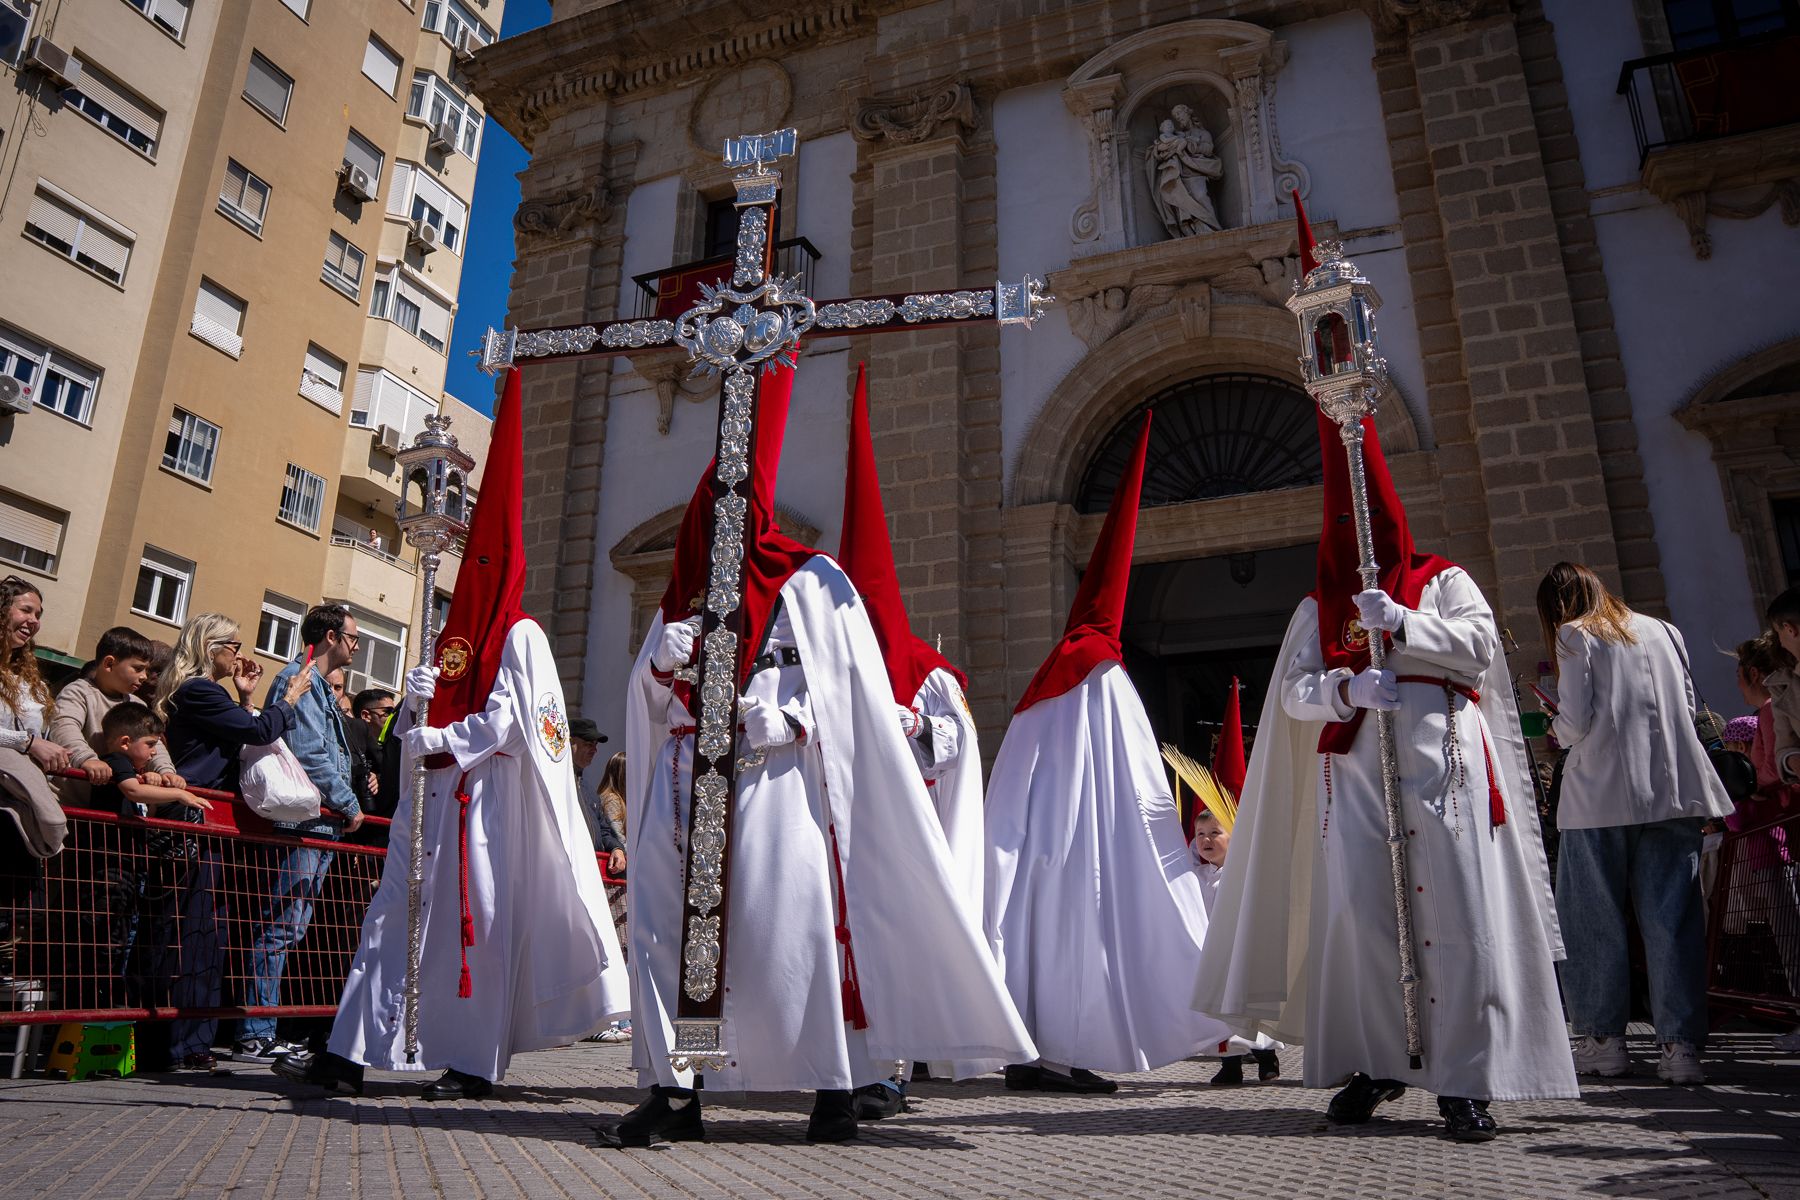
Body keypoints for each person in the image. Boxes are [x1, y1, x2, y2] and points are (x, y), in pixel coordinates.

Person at [608, 357, 1033, 1148]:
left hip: (779, 789)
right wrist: (660, 663)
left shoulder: (813, 582)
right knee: (683, 949)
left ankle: (833, 1088)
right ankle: (680, 1091)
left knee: (786, 934)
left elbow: (855, 692)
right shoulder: (685, 596)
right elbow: (651, 704)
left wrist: (793, 723)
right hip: (687, 796)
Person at [1195, 412, 1577, 1143]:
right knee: (1365, 923)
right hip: (1357, 778)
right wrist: (1348, 693)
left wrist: (1405, 622)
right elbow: (1294, 692)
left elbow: (1477, 646)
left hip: (1446, 773)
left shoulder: (1445, 580)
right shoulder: (1318, 606)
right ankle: (1380, 1062)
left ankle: (1466, 1080)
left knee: (1459, 924)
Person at [278, 368, 628, 1102]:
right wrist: (413, 707)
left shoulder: (523, 634)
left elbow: (512, 724)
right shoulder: (450, 635)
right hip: (429, 805)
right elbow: (414, 732)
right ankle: (349, 1053)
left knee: (477, 931)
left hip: (486, 811)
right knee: (389, 925)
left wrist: (438, 735)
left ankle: (471, 1064)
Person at [985, 414, 1232, 1096]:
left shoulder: (1054, 672)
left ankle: (1033, 1051)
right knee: (1080, 944)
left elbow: (1019, 773)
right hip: (1085, 845)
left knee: (1037, 938)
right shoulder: (1104, 675)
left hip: (1037, 843)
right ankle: (1060, 1054)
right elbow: (1137, 780)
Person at [834, 365, 984, 1116]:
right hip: (835, 831)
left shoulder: (927, 673)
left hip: (905, 831)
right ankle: (839, 1064)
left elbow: (956, 744)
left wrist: (918, 726)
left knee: (890, 948)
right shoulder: (821, 661)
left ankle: (887, 1072)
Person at [1535, 563, 1736, 1085]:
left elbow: (1576, 723)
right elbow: (1689, 707)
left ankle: (1604, 1041)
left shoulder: (1574, 633)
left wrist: (1554, 724)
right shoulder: (1665, 631)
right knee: (1674, 920)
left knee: (1592, 921)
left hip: (1601, 795)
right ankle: (1680, 1048)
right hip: (1674, 789)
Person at [156, 611, 311, 1071]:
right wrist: (288, 699)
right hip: (197, 822)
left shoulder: (204, 693)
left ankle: (193, 1039)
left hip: (209, 825)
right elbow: (259, 732)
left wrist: (246, 698)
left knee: (208, 933)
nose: (241, 656)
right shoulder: (198, 691)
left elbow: (241, 734)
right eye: (235, 646)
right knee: (200, 935)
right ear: (211, 648)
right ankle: (187, 1045)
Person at [233, 608, 365, 1064]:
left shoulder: (316, 685)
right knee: (281, 926)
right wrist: (349, 803)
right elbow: (310, 752)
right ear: (331, 636)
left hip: (318, 821)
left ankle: (262, 1027)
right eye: (352, 637)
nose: (356, 645)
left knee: (292, 927)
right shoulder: (299, 680)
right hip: (305, 822)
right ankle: (256, 1032)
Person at [1727, 635, 1800, 1052]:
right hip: (1779, 834)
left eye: (1738, 677)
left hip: (1777, 834)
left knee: (1790, 933)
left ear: (1753, 674)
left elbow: (1772, 770)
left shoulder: (1770, 712)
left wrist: (1749, 787)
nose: (1738, 686)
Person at [1188, 808, 1282, 1087]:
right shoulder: (1195, 876)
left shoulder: (1244, 873)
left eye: (1215, 833)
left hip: (1241, 952)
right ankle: (1230, 1064)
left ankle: (1266, 1056)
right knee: (1220, 1012)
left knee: (1249, 1007)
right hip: (1211, 955)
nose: (1206, 840)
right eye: (1200, 834)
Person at [49, 626, 183, 802]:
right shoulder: (78, 692)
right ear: (109, 664)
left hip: (111, 803)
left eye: (146, 670)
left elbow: (154, 743)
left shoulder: (136, 703)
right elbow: (65, 727)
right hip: (71, 800)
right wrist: (87, 760)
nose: (144, 676)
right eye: (138, 668)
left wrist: (165, 771)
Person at [0, 576, 71, 864]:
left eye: (38, 615)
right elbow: (31, 742)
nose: (33, 620)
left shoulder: (33, 684)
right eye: (26, 610)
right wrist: (27, 743)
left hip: (22, 805)